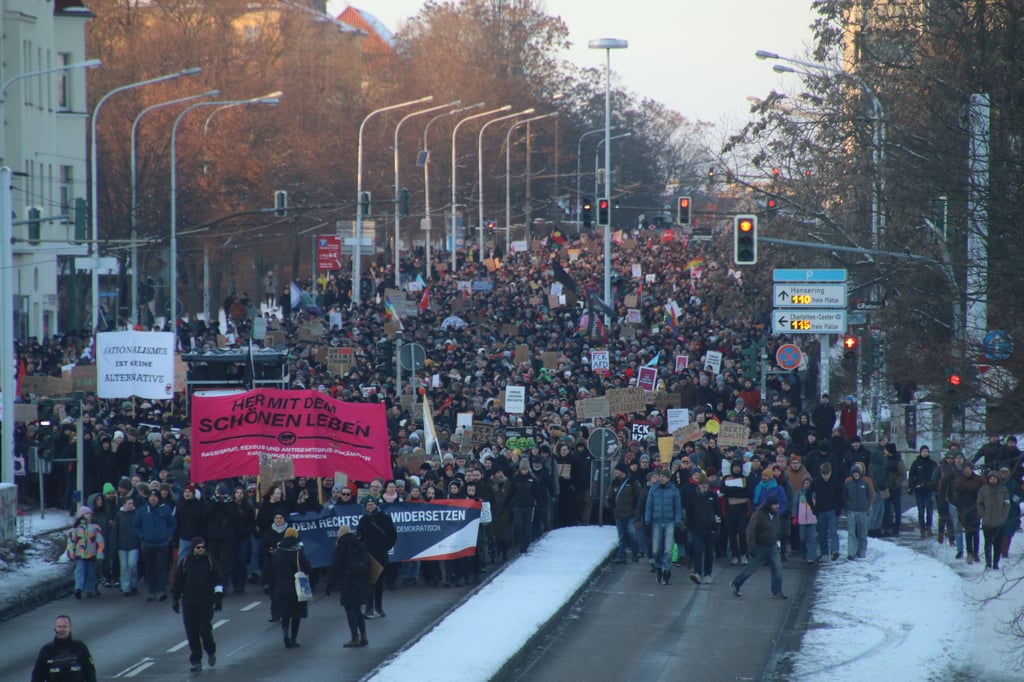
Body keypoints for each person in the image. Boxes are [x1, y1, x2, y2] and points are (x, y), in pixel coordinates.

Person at [171, 537, 224, 672]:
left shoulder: (210, 561)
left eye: (202, 547)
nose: (201, 549)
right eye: (198, 547)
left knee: (204, 630)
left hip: (206, 603)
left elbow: (218, 579)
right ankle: (196, 660)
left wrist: (218, 598)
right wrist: (175, 599)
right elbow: (178, 582)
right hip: (189, 603)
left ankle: (210, 650)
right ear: (193, 548)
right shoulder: (185, 562)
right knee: (192, 633)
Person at [730, 494, 786, 599]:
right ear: (769, 505)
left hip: (772, 546)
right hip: (759, 547)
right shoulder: (758, 514)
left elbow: (777, 528)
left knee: (778, 568)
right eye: (775, 504)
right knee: (750, 569)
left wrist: (778, 542)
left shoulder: (776, 515)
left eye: (778, 504)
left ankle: (777, 591)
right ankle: (736, 583)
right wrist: (752, 547)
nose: (777, 506)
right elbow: (751, 531)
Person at [327, 525, 370, 648]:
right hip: (360, 581)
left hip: (347, 581)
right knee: (358, 609)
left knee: (350, 609)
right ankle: (364, 636)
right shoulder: (360, 544)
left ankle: (354, 637)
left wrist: (330, 584)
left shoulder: (341, 546)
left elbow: (335, 566)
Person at [271, 527, 312, 648]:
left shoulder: (278, 553)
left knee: (285, 614)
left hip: (281, 587)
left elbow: (272, 569)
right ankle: (294, 638)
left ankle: (285, 636)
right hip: (296, 587)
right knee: (296, 614)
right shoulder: (298, 552)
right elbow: (308, 567)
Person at [134, 488, 176, 601]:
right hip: (147, 544)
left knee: (161, 567)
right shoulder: (142, 510)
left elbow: (172, 523)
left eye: (155, 497)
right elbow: (136, 525)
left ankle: (160, 590)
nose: (152, 498)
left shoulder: (165, 509)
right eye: (151, 497)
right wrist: (141, 535)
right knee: (149, 568)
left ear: (158, 498)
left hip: (162, 544)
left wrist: (167, 534)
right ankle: (151, 591)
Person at [358, 497, 397, 619]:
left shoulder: (385, 518)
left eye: (372, 504)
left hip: (381, 555)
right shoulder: (364, 520)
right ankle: (369, 608)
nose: (370, 507)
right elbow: (359, 536)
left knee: (379, 582)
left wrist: (386, 546)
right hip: (368, 555)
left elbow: (393, 535)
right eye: (368, 505)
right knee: (370, 582)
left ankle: (378, 608)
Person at [644, 468, 683, 585]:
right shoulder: (653, 489)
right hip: (656, 522)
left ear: (668, 478)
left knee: (668, 549)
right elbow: (648, 506)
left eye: (663, 477)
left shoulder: (674, 490)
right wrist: (647, 520)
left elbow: (677, 507)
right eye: (660, 476)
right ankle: (659, 568)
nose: (661, 478)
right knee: (656, 550)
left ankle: (666, 571)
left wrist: (677, 522)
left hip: (669, 522)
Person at [31, 615, 97, 682]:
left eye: (64, 626)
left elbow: (90, 673)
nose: (61, 629)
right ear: (55, 628)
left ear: (70, 628)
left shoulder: (80, 647)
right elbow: (37, 677)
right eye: (59, 627)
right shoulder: (47, 650)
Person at [66, 506, 105, 599]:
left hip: (92, 554)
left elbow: (100, 541)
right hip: (79, 554)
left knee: (91, 572)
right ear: (82, 515)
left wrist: (100, 553)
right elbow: (71, 542)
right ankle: (78, 588)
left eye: (90, 513)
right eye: (87, 513)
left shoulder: (95, 527)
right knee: (80, 571)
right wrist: (71, 553)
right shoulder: (75, 529)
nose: (89, 515)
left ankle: (89, 589)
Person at [686, 473, 719, 585]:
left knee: (709, 553)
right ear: (698, 485)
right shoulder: (693, 496)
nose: (704, 486)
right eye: (702, 484)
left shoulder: (713, 496)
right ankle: (697, 573)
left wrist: (716, 528)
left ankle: (708, 574)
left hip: (710, 529)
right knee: (698, 551)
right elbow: (689, 513)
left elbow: (718, 513)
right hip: (697, 529)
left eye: (705, 484)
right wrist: (690, 526)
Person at [608, 464, 643, 563]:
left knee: (631, 533)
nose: (615, 473)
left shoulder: (632, 482)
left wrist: (635, 508)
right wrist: (612, 505)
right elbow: (610, 495)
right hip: (619, 513)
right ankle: (622, 555)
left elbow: (639, 495)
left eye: (617, 471)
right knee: (622, 535)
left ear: (622, 471)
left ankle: (635, 552)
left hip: (630, 513)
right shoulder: (614, 482)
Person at [809, 462, 843, 561]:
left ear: (831, 472)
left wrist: (838, 508)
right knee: (822, 533)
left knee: (833, 531)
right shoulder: (816, 482)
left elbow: (840, 496)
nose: (826, 476)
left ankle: (834, 550)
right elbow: (808, 494)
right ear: (820, 473)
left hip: (832, 511)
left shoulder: (835, 481)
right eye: (824, 474)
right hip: (820, 511)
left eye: (827, 473)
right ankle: (824, 553)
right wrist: (813, 507)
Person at [977, 470, 1010, 570]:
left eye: (994, 479)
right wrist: (983, 515)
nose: (992, 480)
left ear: (998, 479)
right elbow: (979, 503)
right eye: (991, 479)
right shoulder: (983, 490)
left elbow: (1007, 504)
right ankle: (988, 563)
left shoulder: (1003, 490)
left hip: (999, 523)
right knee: (988, 543)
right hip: (987, 522)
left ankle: (996, 563)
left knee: (998, 544)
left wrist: (1003, 516)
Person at [110, 496, 141, 596]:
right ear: (124, 504)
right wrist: (114, 544)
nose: (131, 505)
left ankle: (133, 583)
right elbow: (115, 530)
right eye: (129, 503)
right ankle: (126, 588)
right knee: (124, 567)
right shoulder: (119, 515)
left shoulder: (136, 514)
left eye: (132, 503)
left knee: (132, 564)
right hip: (122, 545)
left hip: (134, 544)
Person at [843, 463, 874, 560]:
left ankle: (862, 552)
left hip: (862, 511)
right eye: (854, 473)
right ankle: (851, 553)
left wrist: (868, 507)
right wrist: (847, 507)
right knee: (851, 533)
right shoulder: (848, 484)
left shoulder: (864, 483)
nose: (855, 474)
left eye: (857, 473)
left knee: (862, 533)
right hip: (851, 511)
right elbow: (844, 496)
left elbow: (869, 496)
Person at [907, 446, 939, 537]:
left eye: (926, 451)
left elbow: (936, 476)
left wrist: (935, 487)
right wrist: (911, 487)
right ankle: (922, 527)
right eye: (923, 451)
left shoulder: (932, 464)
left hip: (929, 490)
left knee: (929, 509)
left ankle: (928, 526)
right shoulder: (916, 463)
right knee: (920, 510)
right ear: (920, 452)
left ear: (928, 452)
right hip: (919, 490)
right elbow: (911, 476)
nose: (925, 453)